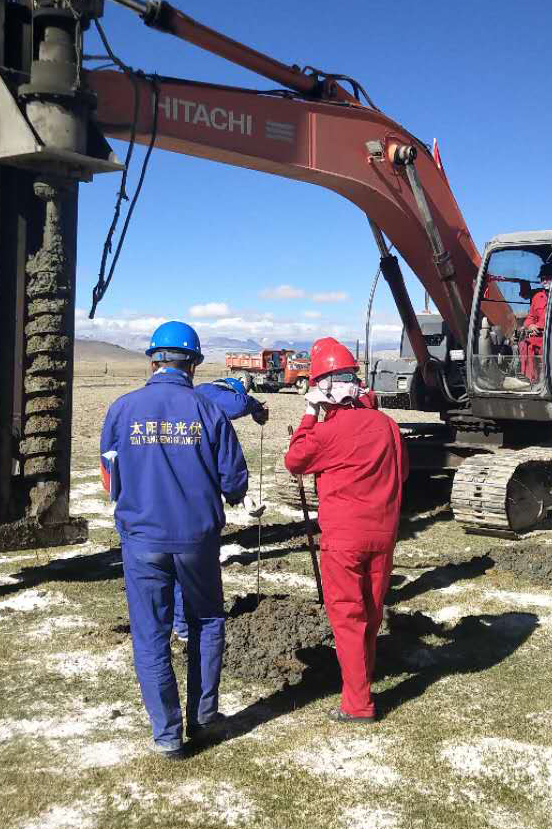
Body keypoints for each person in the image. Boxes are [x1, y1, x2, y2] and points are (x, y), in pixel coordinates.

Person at [99, 321, 250, 757]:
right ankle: (203, 718)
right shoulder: (209, 410)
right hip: (197, 539)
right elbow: (233, 480)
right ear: (194, 364)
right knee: (206, 621)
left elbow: (109, 475)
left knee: (151, 633)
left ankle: (167, 735)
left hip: (142, 538)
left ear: (153, 361)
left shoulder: (122, 409)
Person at [284, 337, 408, 723]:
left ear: (322, 389)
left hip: (344, 540)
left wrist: (309, 416)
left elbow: (295, 460)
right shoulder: (387, 426)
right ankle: (362, 684)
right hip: (383, 535)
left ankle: (358, 704)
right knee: (370, 613)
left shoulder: (326, 433)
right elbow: (402, 472)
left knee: (348, 618)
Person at [167, 376, 270, 643]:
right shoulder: (210, 394)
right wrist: (255, 405)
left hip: (165, 494)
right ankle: (190, 626)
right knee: (192, 564)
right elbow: (237, 405)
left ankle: (177, 624)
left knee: (171, 564)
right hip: (193, 501)